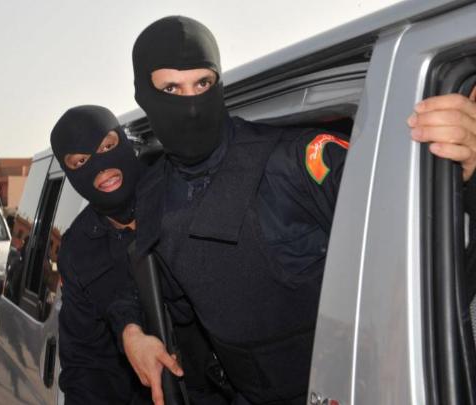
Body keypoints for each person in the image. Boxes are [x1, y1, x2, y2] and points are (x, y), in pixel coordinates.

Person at [119, 16, 476, 405]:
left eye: (203, 83)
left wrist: (461, 170)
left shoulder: (296, 160)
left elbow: (414, 220)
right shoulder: (152, 193)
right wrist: (132, 331)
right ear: (144, 97)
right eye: (171, 88)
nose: (191, 104)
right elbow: (142, 280)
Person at [50, 105, 151, 405]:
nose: (101, 166)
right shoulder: (77, 249)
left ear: (125, 142)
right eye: (81, 161)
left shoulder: (176, 196)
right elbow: (85, 361)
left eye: (107, 147)